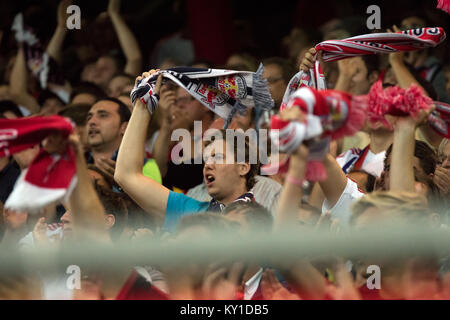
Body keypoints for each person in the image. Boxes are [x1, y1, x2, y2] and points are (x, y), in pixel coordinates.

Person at [115, 69, 263, 232]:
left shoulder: (263, 219)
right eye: (206, 159)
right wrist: (142, 107)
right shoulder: (189, 211)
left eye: (218, 157)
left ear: (243, 167)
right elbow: (126, 175)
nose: (207, 165)